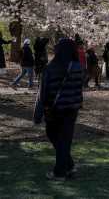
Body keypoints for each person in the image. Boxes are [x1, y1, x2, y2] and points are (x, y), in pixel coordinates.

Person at [33, 38, 83, 181]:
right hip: (72, 108)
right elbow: (80, 88)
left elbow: (42, 93)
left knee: (55, 135)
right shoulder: (78, 67)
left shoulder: (51, 68)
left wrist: (38, 115)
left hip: (55, 109)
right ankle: (69, 165)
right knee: (65, 139)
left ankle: (60, 173)